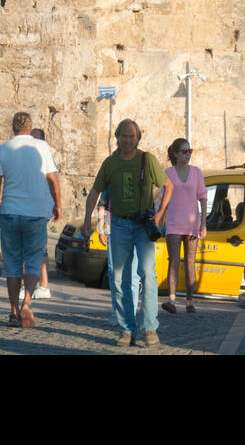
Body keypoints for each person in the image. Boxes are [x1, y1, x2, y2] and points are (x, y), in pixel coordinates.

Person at [82, 118, 172, 348]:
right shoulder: (110, 163)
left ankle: (150, 328)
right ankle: (127, 329)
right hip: (120, 225)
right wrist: (86, 221)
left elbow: (168, 186)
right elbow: (94, 193)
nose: (128, 140)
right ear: (117, 137)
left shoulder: (147, 160)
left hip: (143, 225)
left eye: (132, 136)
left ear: (138, 139)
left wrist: (160, 213)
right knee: (120, 279)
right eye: (124, 135)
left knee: (148, 275)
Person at [0, 112, 61, 329]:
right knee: (33, 260)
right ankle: (27, 302)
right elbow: (52, 179)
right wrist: (58, 205)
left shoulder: (3, 149)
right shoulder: (41, 147)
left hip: (11, 211)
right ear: (30, 127)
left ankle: (13, 312)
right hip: (36, 213)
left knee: (12, 263)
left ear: (12, 127)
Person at [161, 137, 207, 315]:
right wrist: (159, 219)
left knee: (190, 262)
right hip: (173, 223)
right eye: (184, 151)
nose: (188, 155)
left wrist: (203, 223)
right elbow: (162, 199)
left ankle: (189, 301)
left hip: (191, 224)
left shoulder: (196, 172)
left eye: (190, 151)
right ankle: (171, 300)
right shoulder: (168, 173)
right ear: (175, 153)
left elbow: (202, 196)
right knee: (173, 261)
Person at [98, 189, 141, 328]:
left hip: (136, 229)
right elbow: (102, 203)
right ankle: (117, 311)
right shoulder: (113, 171)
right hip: (113, 229)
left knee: (133, 275)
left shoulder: (141, 171)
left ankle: (131, 314)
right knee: (113, 272)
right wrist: (101, 227)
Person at [30, 126, 53, 301]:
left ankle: (44, 285)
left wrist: (52, 208)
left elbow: (52, 184)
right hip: (28, 209)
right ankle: (28, 284)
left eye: (37, 139)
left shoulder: (46, 158)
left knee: (40, 248)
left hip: (41, 210)